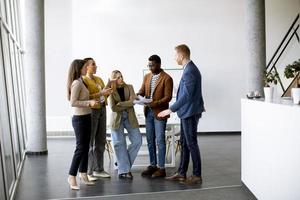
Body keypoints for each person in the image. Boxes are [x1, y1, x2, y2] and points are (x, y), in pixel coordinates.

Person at [158, 44, 205, 185]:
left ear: (181, 55)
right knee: (185, 143)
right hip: (187, 112)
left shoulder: (190, 70)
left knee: (191, 144)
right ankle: (181, 173)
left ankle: (197, 175)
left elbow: (187, 96)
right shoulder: (189, 69)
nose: (174, 58)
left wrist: (170, 109)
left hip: (190, 113)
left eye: (175, 55)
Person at [138, 55, 173, 178]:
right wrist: (137, 96)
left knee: (160, 140)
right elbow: (142, 91)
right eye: (149, 65)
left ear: (158, 64)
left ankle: (161, 168)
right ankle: (153, 165)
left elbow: (167, 97)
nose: (150, 67)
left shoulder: (167, 78)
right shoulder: (147, 76)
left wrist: (154, 103)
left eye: (152, 65)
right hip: (148, 112)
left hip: (159, 112)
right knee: (150, 140)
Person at [66, 59, 98, 190]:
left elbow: (85, 96)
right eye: (85, 67)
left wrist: (94, 98)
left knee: (85, 147)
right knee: (80, 148)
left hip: (86, 117)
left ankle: (83, 174)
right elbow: (73, 102)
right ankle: (71, 176)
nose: (87, 69)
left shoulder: (81, 81)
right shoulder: (76, 83)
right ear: (79, 68)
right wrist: (89, 103)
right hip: (79, 119)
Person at [82, 57, 112, 180]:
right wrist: (101, 93)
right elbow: (86, 96)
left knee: (101, 140)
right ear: (86, 66)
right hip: (91, 111)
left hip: (102, 109)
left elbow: (105, 94)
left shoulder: (99, 79)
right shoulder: (83, 80)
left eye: (95, 64)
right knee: (90, 142)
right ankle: (88, 172)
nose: (96, 66)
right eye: (93, 64)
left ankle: (99, 169)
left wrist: (109, 88)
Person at [108, 70, 142, 179]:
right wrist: (128, 103)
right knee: (119, 143)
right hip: (116, 119)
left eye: (121, 76)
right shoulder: (110, 90)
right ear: (113, 79)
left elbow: (133, 102)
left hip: (130, 117)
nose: (121, 79)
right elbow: (113, 107)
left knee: (138, 140)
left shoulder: (130, 87)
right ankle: (125, 170)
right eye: (117, 78)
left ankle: (122, 164)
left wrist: (121, 104)